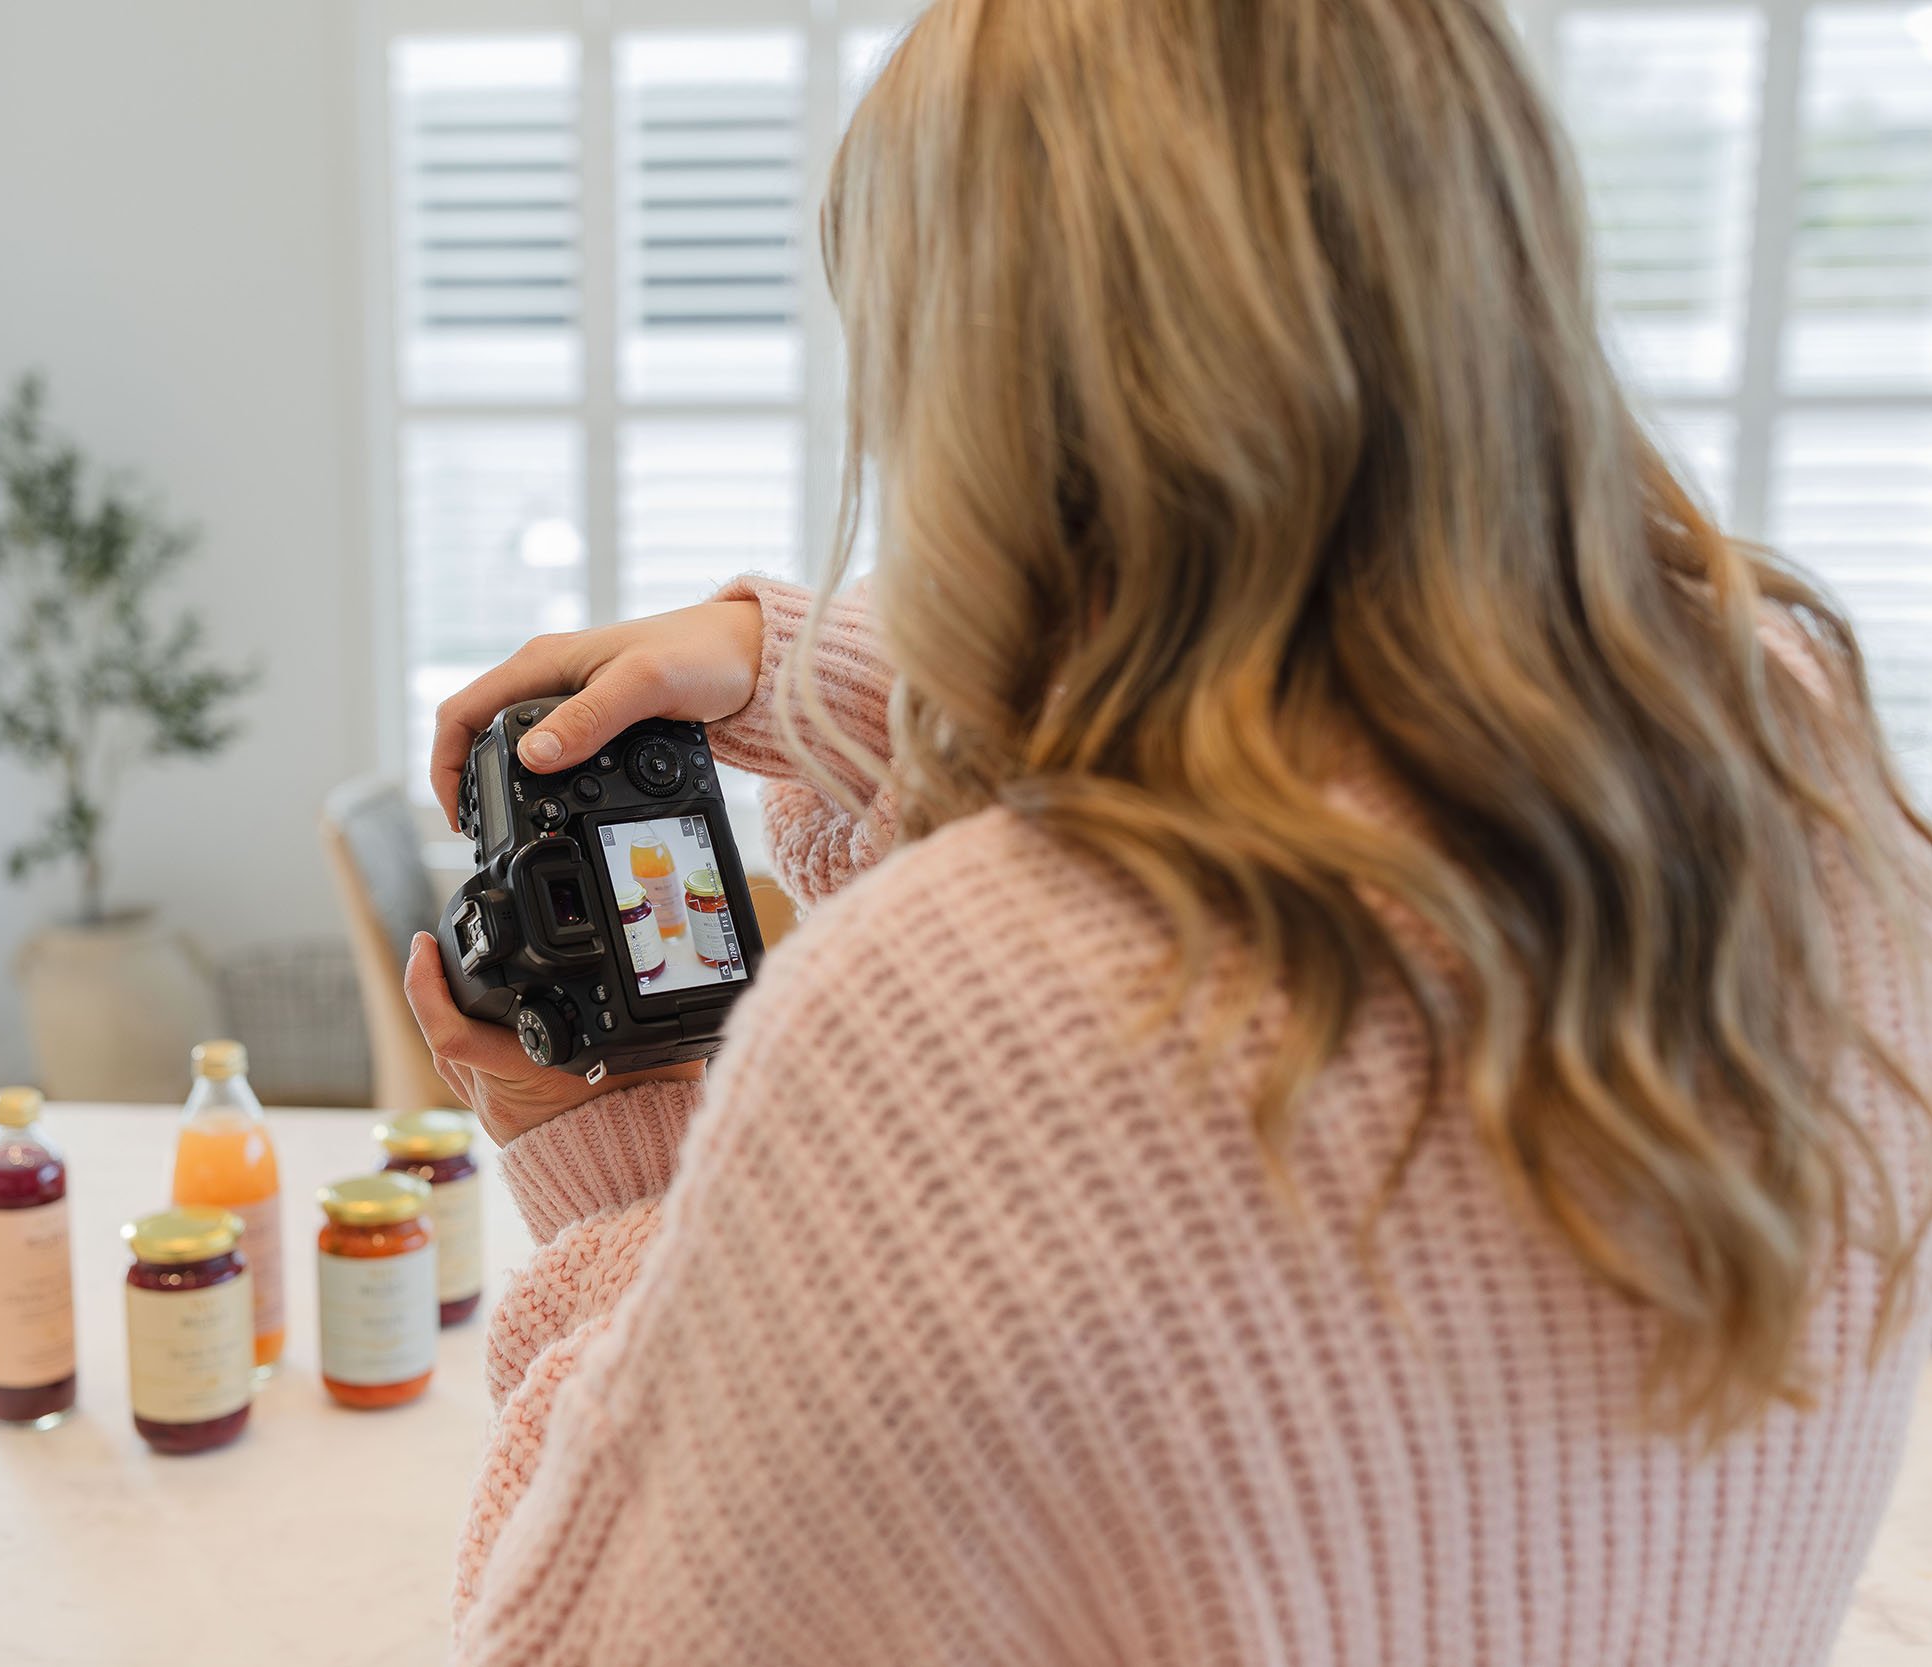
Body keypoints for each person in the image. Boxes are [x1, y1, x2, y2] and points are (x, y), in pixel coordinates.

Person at [401, 0, 1932, 1660]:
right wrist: (805, 663)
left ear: (989, 407)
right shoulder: (1806, 764)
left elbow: (580, 1642)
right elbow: (1328, 701)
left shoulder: (963, 1006)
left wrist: (621, 1172)